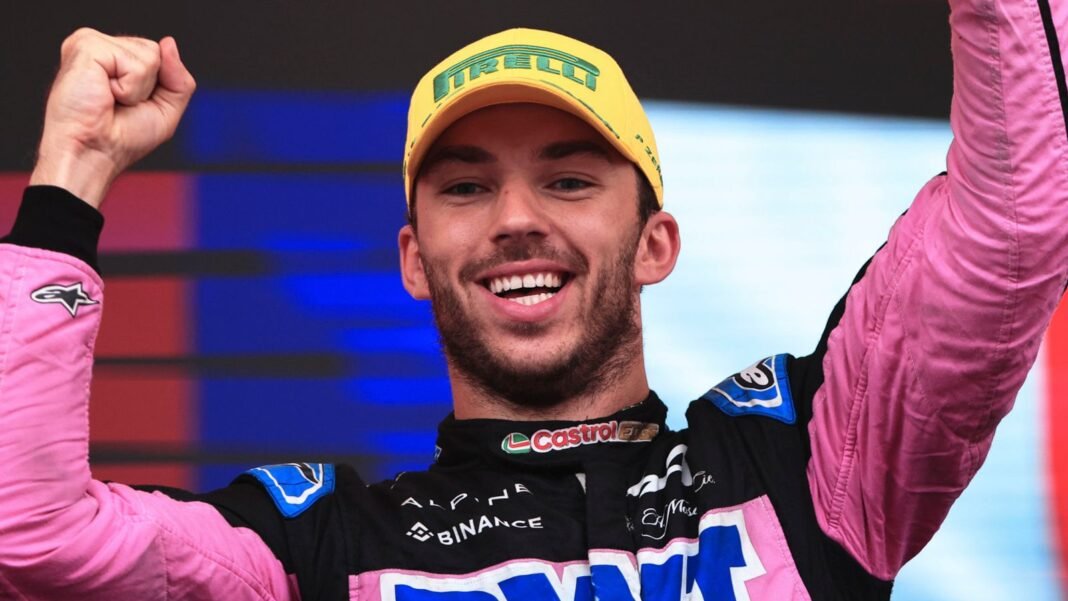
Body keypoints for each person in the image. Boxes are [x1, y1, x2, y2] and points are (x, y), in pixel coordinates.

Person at [0, 0, 1065, 597]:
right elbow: (35, 532)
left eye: (568, 180)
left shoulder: (811, 462)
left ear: (655, 243)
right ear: (415, 260)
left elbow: (1016, 221)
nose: (516, 217)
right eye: (467, 187)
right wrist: (71, 173)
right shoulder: (319, 549)